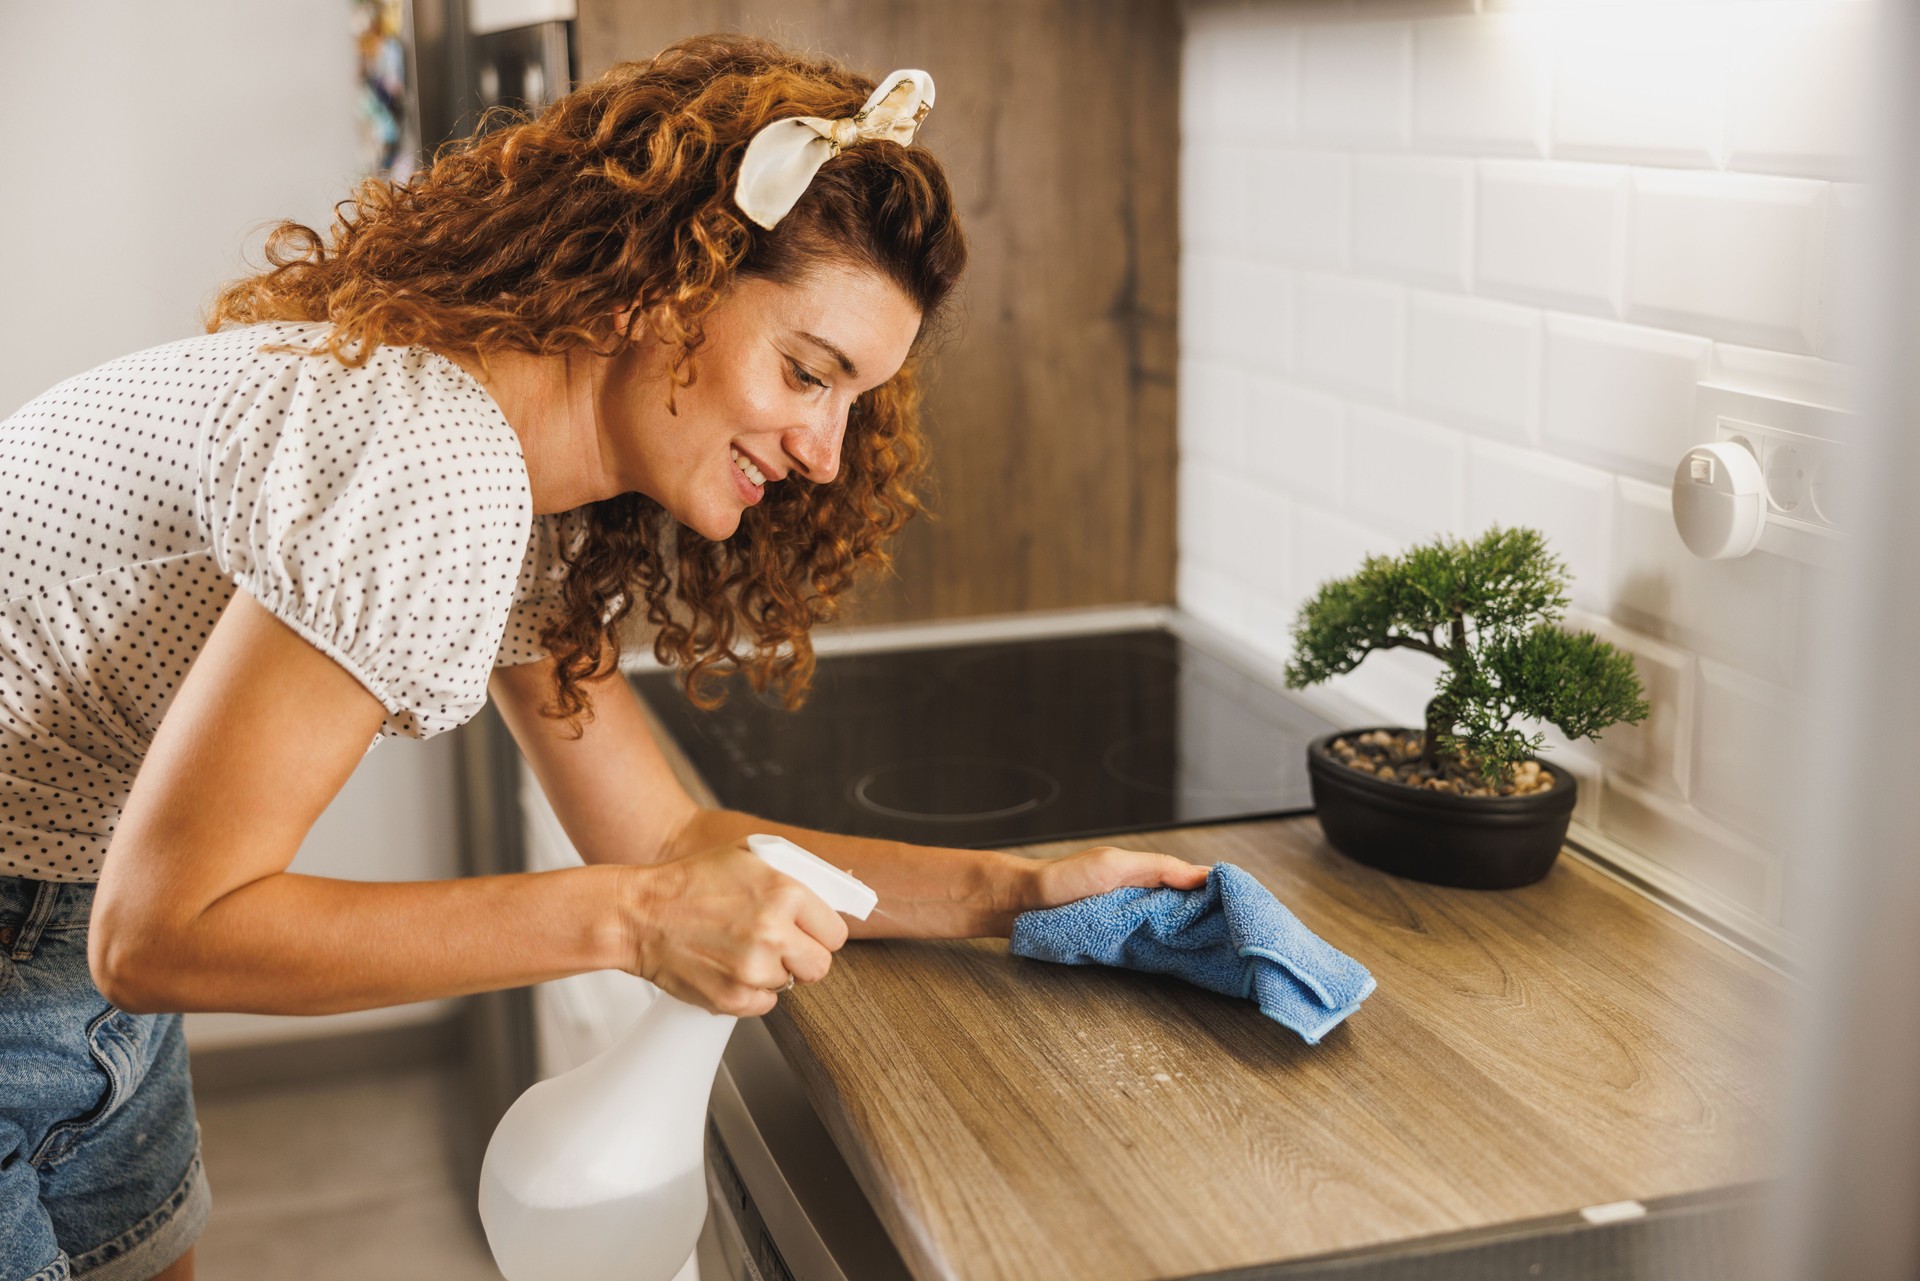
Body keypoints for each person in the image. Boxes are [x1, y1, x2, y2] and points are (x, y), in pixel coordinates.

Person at [0, 33, 1211, 1281]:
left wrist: (1016, 898)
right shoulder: (433, 460)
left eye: (856, 400)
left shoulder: (526, 482)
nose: (826, 453)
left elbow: (664, 841)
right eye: (808, 374)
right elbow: (163, 932)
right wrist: (636, 924)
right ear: (664, 285)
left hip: (58, 926)